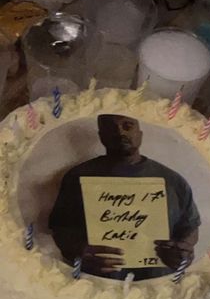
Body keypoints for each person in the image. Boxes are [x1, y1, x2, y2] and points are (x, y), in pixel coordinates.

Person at [49, 114, 201, 280]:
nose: (120, 132)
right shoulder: (78, 177)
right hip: (98, 282)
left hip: (159, 282)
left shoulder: (172, 180)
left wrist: (183, 250)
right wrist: (80, 250)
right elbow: (60, 228)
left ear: (140, 134)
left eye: (127, 125)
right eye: (110, 128)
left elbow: (190, 226)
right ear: (101, 136)